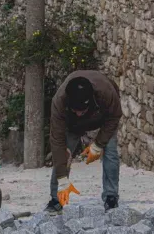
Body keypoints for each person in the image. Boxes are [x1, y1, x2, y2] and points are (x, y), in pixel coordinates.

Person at [46, 70, 122, 213]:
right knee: (62, 155)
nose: (79, 113)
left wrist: (98, 145)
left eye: (82, 110)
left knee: (110, 151)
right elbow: (57, 142)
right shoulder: (59, 102)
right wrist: (62, 179)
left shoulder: (106, 92)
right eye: (76, 110)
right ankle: (56, 199)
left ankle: (111, 197)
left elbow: (114, 117)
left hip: (103, 119)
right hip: (72, 125)